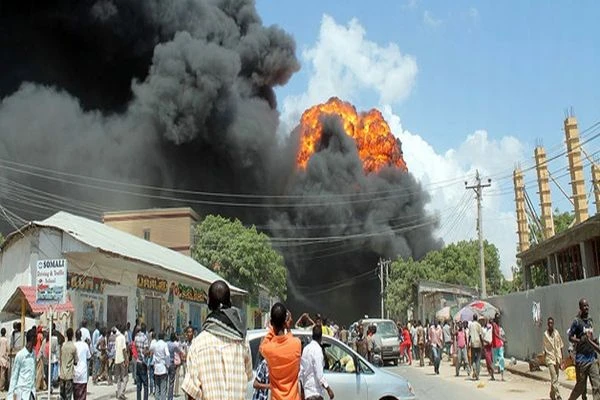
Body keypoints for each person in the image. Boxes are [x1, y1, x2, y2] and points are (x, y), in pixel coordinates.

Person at [182, 280, 252, 400]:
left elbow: (192, 393)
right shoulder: (242, 341)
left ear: (209, 304)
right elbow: (248, 374)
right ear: (230, 303)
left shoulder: (198, 344)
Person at [259, 302, 301, 400]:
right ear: (285, 322)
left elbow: (262, 346)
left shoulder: (268, 349)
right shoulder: (297, 344)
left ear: (272, 322)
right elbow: (290, 337)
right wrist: (287, 327)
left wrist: (272, 328)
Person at [568, 298, 600, 400]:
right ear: (580, 308)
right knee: (580, 387)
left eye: (587, 306)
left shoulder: (590, 320)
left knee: (597, 385)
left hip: (592, 358)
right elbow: (570, 337)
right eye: (584, 306)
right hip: (581, 360)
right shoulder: (576, 321)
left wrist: (593, 341)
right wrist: (580, 341)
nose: (586, 308)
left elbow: (590, 335)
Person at [300, 325, 335, 400]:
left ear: (312, 335)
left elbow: (301, 371)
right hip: (315, 392)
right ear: (321, 337)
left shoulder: (306, 349)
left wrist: (302, 391)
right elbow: (319, 375)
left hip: (307, 392)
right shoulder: (317, 350)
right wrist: (328, 389)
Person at [8, 328, 36, 400]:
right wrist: (10, 395)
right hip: (22, 394)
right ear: (32, 339)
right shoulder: (20, 355)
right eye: (35, 338)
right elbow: (14, 376)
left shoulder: (33, 354)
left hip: (31, 392)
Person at [544, 317, 564, 400]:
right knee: (554, 377)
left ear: (553, 324)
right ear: (547, 324)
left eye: (551, 323)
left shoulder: (556, 333)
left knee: (555, 377)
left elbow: (561, 345)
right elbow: (545, 347)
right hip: (550, 358)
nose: (550, 324)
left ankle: (552, 394)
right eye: (549, 323)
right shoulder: (545, 334)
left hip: (557, 357)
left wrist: (562, 358)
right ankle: (558, 395)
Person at [149, 332, 169, 400]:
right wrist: (167, 364)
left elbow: (151, 350)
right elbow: (167, 355)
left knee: (157, 387)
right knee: (163, 388)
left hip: (156, 368)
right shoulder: (164, 344)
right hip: (163, 367)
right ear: (163, 337)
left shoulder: (155, 344)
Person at [60, 328, 78, 400]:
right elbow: (76, 362)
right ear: (72, 336)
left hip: (62, 374)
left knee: (62, 395)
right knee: (68, 395)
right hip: (69, 375)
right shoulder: (73, 347)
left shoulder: (63, 346)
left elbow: (60, 359)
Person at [74, 329, 92, 400]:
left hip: (75, 372)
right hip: (83, 373)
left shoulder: (74, 345)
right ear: (81, 336)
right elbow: (89, 357)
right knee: (82, 395)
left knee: (76, 394)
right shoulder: (85, 345)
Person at [134, 324, 149, 400]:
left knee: (139, 384)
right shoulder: (145, 338)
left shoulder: (136, 337)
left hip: (138, 361)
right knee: (146, 384)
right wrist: (147, 353)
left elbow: (135, 348)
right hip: (143, 362)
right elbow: (146, 350)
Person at [114, 325, 129, 400]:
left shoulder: (117, 338)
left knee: (119, 377)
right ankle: (122, 393)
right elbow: (124, 350)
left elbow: (116, 349)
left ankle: (118, 392)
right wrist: (126, 360)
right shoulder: (122, 337)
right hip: (122, 359)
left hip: (117, 359)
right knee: (125, 377)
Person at [166, 333, 182, 400]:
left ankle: (165, 394)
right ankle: (170, 397)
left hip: (167, 363)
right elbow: (179, 351)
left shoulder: (166, 344)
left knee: (166, 379)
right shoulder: (174, 345)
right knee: (171, 382)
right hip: (172, 363)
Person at [491, 313, 506, 381]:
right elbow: (495, 334)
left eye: (499, 318)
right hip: (495, 344)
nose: (498, 319)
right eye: (497, 318)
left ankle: (502, 376)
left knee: (501, 359)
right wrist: (502, 339)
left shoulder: (498, 325)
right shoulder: (494, 324)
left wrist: (502, 339)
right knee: (494, 360)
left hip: (499, 344)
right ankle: (492, 375)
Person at [469, 315, 484, 380]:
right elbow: (480, 335)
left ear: (473, 318)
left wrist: (468, 343)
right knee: (478, 359)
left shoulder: (470, 325)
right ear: (477, 318)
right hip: (478, 343)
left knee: (473, 359)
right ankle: (477, 374)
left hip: (472, 343)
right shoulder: (479, 325)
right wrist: (482, 343)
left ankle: (474, 368)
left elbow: (469, 335)